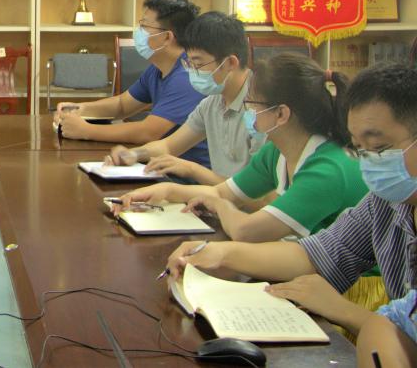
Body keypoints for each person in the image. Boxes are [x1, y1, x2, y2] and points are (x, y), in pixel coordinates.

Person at [163, 63, 417, 340]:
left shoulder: (330, 168)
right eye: (360, 148)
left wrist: (342, 310)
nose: (368, 161)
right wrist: (219, 253)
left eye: (379, 148)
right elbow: (319, 254)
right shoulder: (384, 202)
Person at [116, 53, 366, 241]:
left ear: (281, 114)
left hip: (351, 286)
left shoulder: (326, 170)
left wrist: (219, 206)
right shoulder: (275, 151)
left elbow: (247, 231)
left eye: (252, 104)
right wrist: (166, 190)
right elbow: (225, 192)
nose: (247, 111)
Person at [105, 12, 265, 185]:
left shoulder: (263, 111)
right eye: (189, 63)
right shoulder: (212, 102)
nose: (192, 72)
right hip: (216, 198)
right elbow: (169, 145)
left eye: (198, 64)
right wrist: (134, 154)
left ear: (230, 63)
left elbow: (257, 194)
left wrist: (191, 169)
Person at [56, 0, 209, 167]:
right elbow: (123, 105)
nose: (139, 32)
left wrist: (86, 130)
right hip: (161, 165)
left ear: (167, 37)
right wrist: (80, 109)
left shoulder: (187, 77)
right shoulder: (158, 68)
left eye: (144, 26)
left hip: (188, 173)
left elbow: (147, 132)